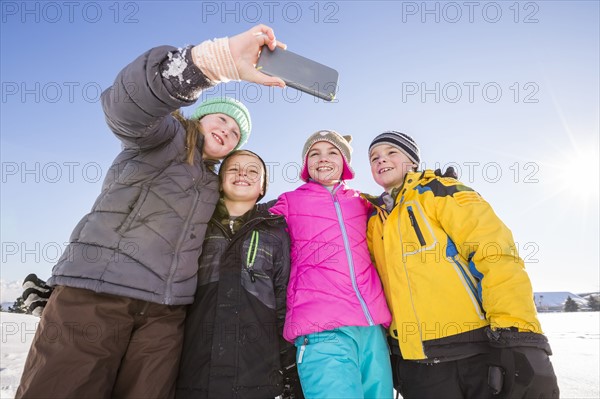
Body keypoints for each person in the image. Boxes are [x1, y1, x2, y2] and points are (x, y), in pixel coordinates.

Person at [16, 25, 286, 399]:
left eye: (237, 133)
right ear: (199, 116)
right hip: (99, 293)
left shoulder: (214, 187)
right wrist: (212, 62)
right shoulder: (162, 137)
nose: (228, 130)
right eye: (221, 119)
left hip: (164, 315)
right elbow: (125, 104)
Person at [365, 131, 559, 399]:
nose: (381, 160)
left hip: (473, 349)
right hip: (417, 363)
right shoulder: (375, 221)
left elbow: (495, 255)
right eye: (374, 157)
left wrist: (519, 334)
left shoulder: (441, 192)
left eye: (391, 153)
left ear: (411, 161)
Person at [270, 130, 394, 399]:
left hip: (371, 327)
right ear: (306, 164)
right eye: (314, 153)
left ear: (345, 162)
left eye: (332, 152)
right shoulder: (290, 202)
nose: (322, 159)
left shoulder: (363, 202)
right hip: (321, 329)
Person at [175, 149, 302, 399]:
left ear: (263, 187)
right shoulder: (197, 224)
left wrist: (288, 370)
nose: (242, 173)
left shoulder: (276, 233)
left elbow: (283, 304)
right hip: (194, 374)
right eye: (233, 168)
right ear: (220, 182)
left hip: (256, 378)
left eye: (253, 170)